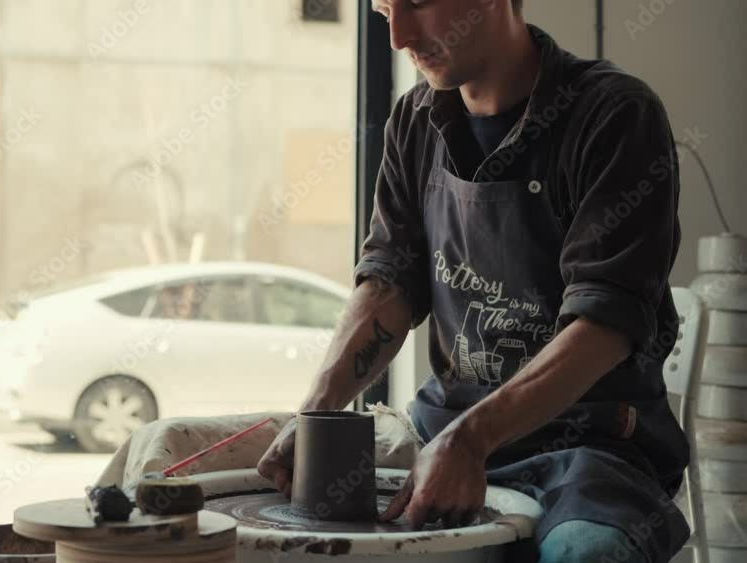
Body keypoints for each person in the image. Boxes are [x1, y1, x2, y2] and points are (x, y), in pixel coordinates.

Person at [257, 1, 690, 562]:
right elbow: (389, 282)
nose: (398, 36)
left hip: (590, 446)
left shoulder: (614, 116)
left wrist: (472, 439)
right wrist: (316, 414)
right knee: (183, 461)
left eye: (417, 3)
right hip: (435, 429)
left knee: (586, 553)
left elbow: (604, 324)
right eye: (385, 8)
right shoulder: (415, 121)